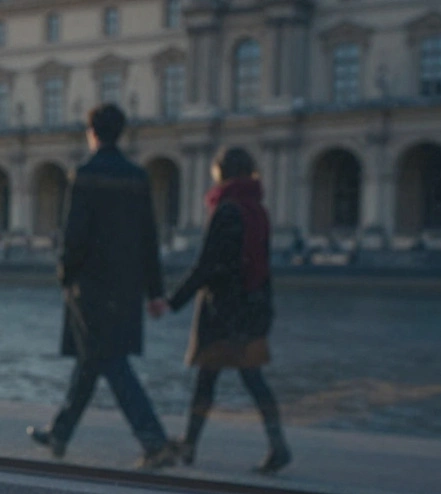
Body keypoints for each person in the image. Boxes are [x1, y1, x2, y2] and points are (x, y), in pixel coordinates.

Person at [28, 104, 176, 470]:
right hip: (126, 289)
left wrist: (66, 275)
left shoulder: (85, 174)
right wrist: (155, 291)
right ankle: (60, 433)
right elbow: (148, 239)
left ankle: (154, 441)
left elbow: (75, 235)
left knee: (108, 361)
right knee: (91, 361)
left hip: (90, 288)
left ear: (92, 132)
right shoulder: (138, 177)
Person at [167, 147, 291, 473]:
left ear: (222, 172)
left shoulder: (225, 209)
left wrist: (172, 300)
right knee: (251, 379)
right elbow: (261, 265)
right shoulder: (258, 209)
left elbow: (207, 265)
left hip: (223, 311)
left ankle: (191, 446)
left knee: (207, 380)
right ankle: (277, 444)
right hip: (252, 307)